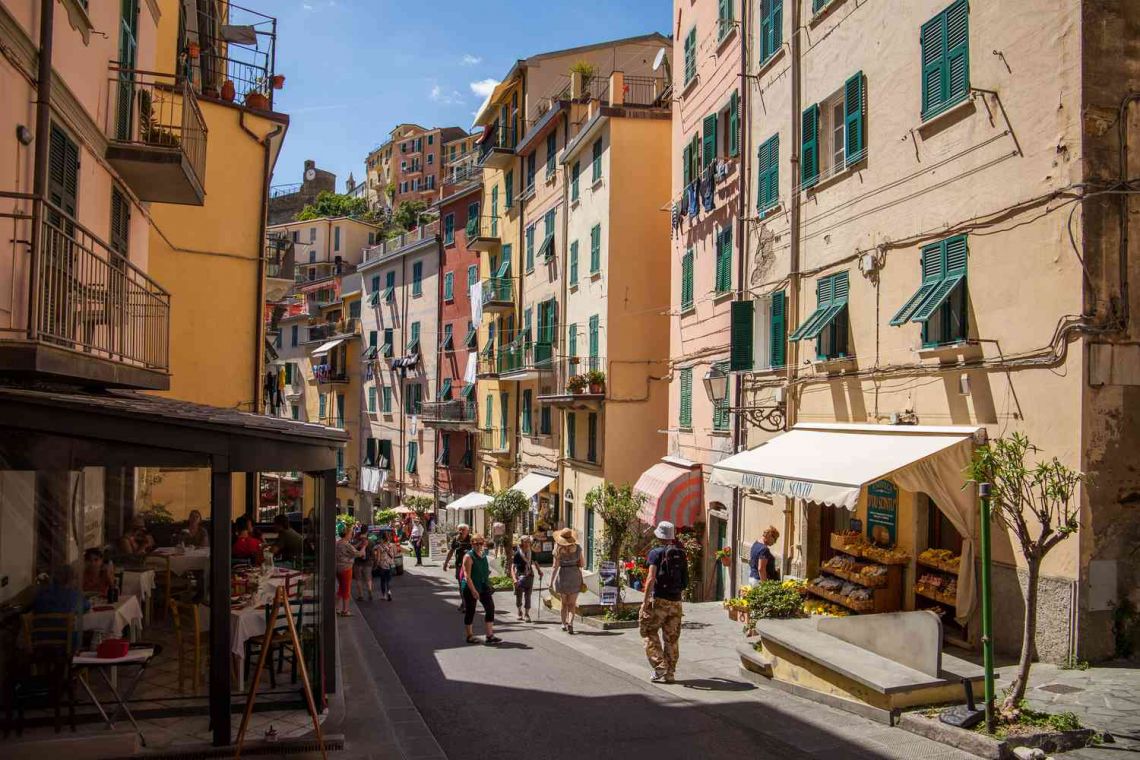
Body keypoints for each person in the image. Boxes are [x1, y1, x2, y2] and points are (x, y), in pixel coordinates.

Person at [640, 520, 687, 684]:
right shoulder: (681, 553)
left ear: (659, 536)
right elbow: (685, 579)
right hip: (676, 602)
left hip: (660, 600)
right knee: (672, 638)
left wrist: (645, 602)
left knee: (648, 631)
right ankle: (670, 673)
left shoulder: (655, 553)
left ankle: (659, 665)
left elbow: (651, 578)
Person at [460, 534, 501, 644]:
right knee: (471, 610)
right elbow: (467, 576)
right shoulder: (468, 557)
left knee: (490, 608)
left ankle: (489, 635)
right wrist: (473, 591)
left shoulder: (483, 555)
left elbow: (485, 571)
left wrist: (489, 582)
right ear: (471, 543)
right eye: (476, 543)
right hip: (470, 587)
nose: (478, 546)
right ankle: (469, 636)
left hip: (483, 586)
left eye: (481, 543)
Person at [551, 528, 584, 635]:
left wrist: (551, 582)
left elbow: (555, 567)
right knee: (572, 604)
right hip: (575, 576)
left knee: (564, 603)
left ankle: (563, 623)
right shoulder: (578, 548)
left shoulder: (558, 549)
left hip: (563, 576)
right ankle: (570, 623)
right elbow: (582, 564)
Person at [511, 535, 544, 622]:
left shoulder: (531, 552)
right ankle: (519, 611)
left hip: (529, 575)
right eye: (525, 542)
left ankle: (526, 614)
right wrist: (514, 579)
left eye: (529, 542)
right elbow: (512, 567)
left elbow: (535, 562)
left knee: (528, 596)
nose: (527, 543)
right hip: (520, 576)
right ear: (521, 542)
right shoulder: (517, 554)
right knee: (519, 596)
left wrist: (539, 571)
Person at [443, 523, 473, 612]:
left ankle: (466, 603)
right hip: (459, 565)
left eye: (463, 529)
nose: (461, 531)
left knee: (470, 584)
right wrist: (446, 563)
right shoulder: (456, 539)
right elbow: (451, 551)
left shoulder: (471, 539)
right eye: (459, 529)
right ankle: (465, 603)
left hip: (471, 565)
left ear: (467, 531)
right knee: (461, 585)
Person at [334, 526, 362, 616]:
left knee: (341, 588)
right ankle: (345, 610)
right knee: (346, 589)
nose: (351, 535)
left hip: (337, 568)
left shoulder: (338, 543)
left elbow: (351, 549)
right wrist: (364, 547)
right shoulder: (346, 544)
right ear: (346, 534)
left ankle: (336, 608)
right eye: (350, 534)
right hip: (346, 568)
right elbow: (358, 553)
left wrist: (359, 544)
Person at [374, 531, 399, 601]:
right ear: (389, 538)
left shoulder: (379, 546)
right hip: (390, 565)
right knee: (388, 580)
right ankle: (389, 592)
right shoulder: (393, 545)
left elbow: (378, 558)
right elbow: (395, 554)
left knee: (382, 581)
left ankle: (384, 595)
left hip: (382, 565)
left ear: (382, 538)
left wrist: (376, 565)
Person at [351, 527, 374, 601]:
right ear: (367, 531)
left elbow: (352, 549)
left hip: (357, 562)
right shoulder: (370, 542)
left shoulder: (355, 541)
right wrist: (373, 561)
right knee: (368, 578)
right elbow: (372, 553)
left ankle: (361, 595)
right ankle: (370, 591)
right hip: (368, 563)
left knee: (358, 579)